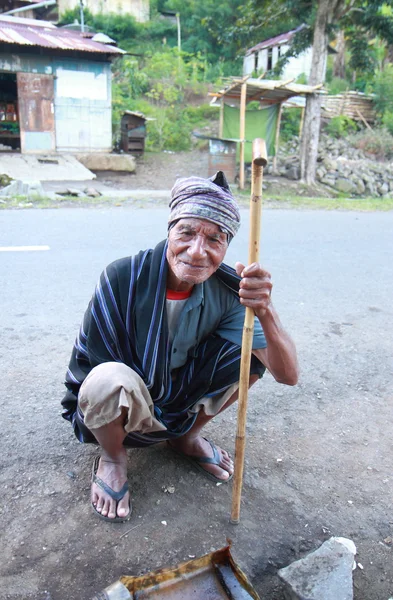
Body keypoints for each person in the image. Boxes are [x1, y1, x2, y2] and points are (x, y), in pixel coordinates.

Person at [61, 171, 298, 523]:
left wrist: (265, 310)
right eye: (186, 232)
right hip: (126, 398)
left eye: (214, 239)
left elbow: (287, 374)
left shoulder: (230, 292)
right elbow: (90, 372)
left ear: (227, 247)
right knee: (104, 380)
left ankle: (185, 436)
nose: (197, 251)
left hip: (177, 398)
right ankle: (113, 457)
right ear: (170, 230)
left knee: (248, 357)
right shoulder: (124, 276)